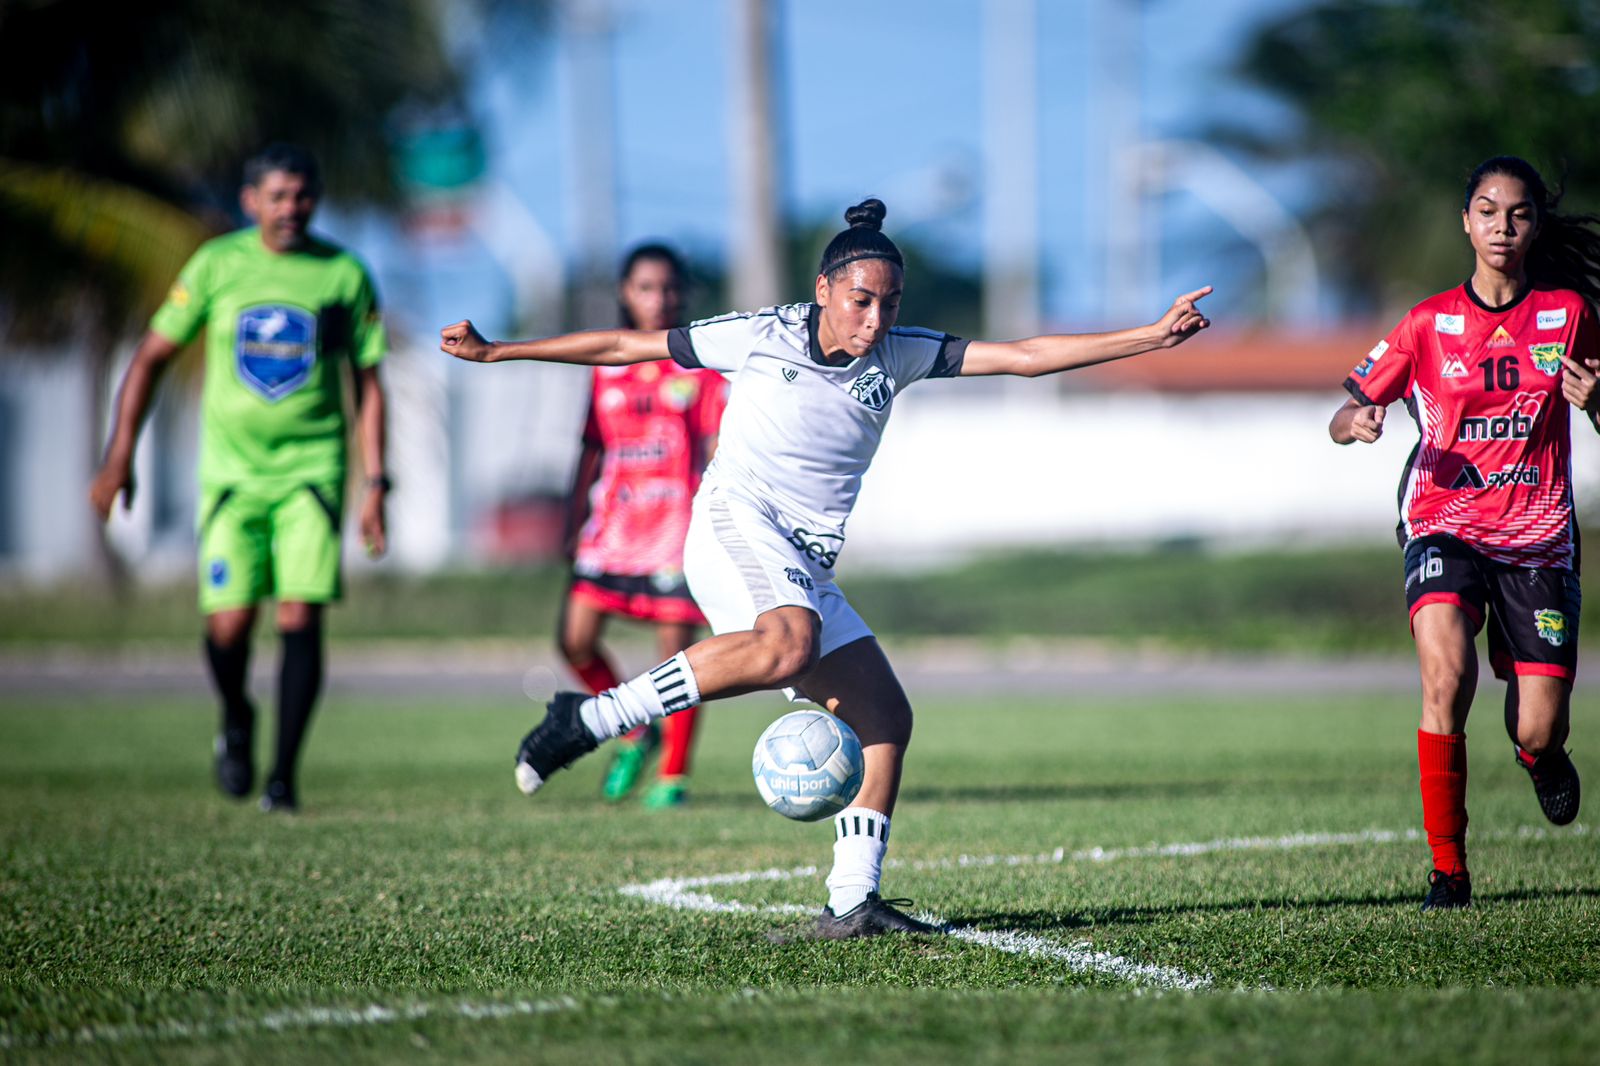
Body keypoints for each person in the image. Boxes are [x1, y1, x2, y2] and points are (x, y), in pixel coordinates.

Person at [442, 198, 1210, 937]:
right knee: (789, 642)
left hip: (802, 559)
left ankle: (851, 902)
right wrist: (497, 351)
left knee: (884, 720)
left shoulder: (903, 352)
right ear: (824, 290)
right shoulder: (757, 336)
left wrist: (1150, 336)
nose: (875, 320)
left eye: (889, 303)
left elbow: (1027, 356)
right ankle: (589, 718)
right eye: (860, 301)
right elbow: (620, 347)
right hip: (734, 524)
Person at [1330, 156, 1600, 911]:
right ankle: (1449, 872)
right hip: (1444, 523)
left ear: (1534, 226)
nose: (1502, 227)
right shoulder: (1426, 322)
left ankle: (1538, 757)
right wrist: (1358, 424)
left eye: (1517, 214)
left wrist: (1599, 399)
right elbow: (1341, 415)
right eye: (1487, 211)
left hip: (1540, 539)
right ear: (1466, 222)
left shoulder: (1569, 315)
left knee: (1540, 727)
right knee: (1446, 676)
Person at [90, 143, 390, 813]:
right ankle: (235, 717)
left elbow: (369, 384)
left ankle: (283, 779)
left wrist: (377, 484)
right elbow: (148, 360)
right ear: (251, 200)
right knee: (227, 627)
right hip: (231, 478)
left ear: (317, 198)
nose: (291, 209)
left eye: (303, 195)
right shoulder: (216, 266)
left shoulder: (343, 274)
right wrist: (119, 456)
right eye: (277, 196)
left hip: (312, 471)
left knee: (300, 613)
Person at [560, 244, 727, 808]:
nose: (660, 300)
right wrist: (572, 514)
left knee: (675, 656)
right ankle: (634, 729)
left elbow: (714, 446)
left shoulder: (698, 363)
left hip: (674, 529)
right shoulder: (608, 360)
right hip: (613, 526)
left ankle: (672, 778)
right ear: (625, 293)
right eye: (646, 288)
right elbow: (590, 445)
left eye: (670, 288)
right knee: (574, 638)